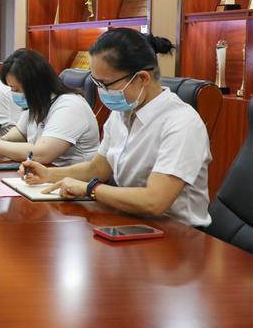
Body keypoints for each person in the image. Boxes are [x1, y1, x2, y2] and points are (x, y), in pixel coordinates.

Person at [21, 29, 212, 228]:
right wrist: (48, 174)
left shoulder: (181, 123)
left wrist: (90, 189)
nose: (101, 91)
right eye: (96, 83)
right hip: (131, 221)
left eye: (106, 84)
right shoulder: (122, 113)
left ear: (142, 78)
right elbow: (97, 169)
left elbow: (154, 201)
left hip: (178, 233)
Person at [0, 49, 99, 166]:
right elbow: (21, 132)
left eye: (16, 89)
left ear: (35, 85)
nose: (14, 94)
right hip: (45, 172)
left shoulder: (70, 106)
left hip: (73, 178)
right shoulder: (38, 102)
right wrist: (2, 139)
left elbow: (43, 154)